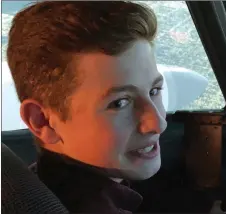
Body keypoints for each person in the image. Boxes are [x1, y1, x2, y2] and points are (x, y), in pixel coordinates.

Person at [7, 1, 166, 213]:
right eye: (120, 103)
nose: (157, 123)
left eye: (154, 91)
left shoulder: (36, 188)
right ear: (43, 121)